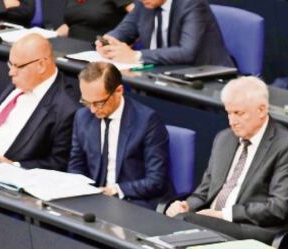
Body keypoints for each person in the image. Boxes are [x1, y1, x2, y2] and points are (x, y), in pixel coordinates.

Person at [165, 77, 288, 243]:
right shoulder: (224, 138)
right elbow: (205, 190)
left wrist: (224, 215)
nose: (232, 121)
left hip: (252, 229)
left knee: (184, 223)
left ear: (261, 110)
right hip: (213, 220)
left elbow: (278, 208)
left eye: (239, 113)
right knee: (172, 214)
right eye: (228, 113)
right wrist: (186, 206)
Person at [69, 62, 173, 209]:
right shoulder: (82, 117)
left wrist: (115, 190)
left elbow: (155, 181)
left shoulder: (147, 121)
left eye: (98, 103)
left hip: (133, 200)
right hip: (93, 199)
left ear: (118, 91)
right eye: (86, 102)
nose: (92, 110)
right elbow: (76, 165)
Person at [0, 34, 80, 171]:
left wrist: (15, 167)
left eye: (17, 66)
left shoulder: (66, 108)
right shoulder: (19, 82)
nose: (11, 72)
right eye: (10, 64)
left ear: (41, 65)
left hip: (5, 179)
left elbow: (59, 162)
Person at [95, 0, 234, 67]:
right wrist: (109, 40)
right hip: (162, 72)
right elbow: (125, 29)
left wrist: (136, 55)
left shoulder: (192, 4)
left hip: (205, 77)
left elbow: (187, 52)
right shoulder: (145, 4)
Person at [55, 0, 133, 41]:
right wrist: (52, 35)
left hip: (100, 52)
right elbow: (71, 25)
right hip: (71, 49)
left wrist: (126, 46)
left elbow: (138, 17)